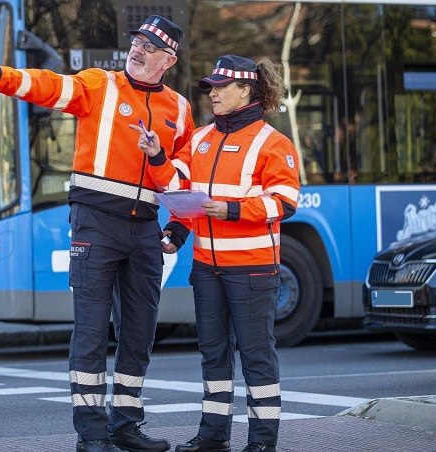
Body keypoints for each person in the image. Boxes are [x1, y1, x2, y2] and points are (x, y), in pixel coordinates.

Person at [0, 14, 194, 452]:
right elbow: (48, 85)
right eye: (136, 42)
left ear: (168, 59)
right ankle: (91, 434)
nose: (137, 49)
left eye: (149, 47)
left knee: (139, 333)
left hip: (145, 228)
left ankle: (126, 425)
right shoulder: (99, 84)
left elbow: (185, 177)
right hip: (95, 222)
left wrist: (179, 227)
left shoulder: (180, 109)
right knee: (90, 331)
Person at [134, 55, 300, 452]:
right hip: (207, 269)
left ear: (245, 90)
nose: (212, 93)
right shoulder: (201, 139)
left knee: (257, 356)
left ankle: (262, 442)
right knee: (214, 355)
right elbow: (180, 189)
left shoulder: (273, 142)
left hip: (252, 270)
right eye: (210, 87)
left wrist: (231, 210)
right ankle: (213, 435)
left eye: (221, 87)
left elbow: (285, 201)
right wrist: (157, 158)